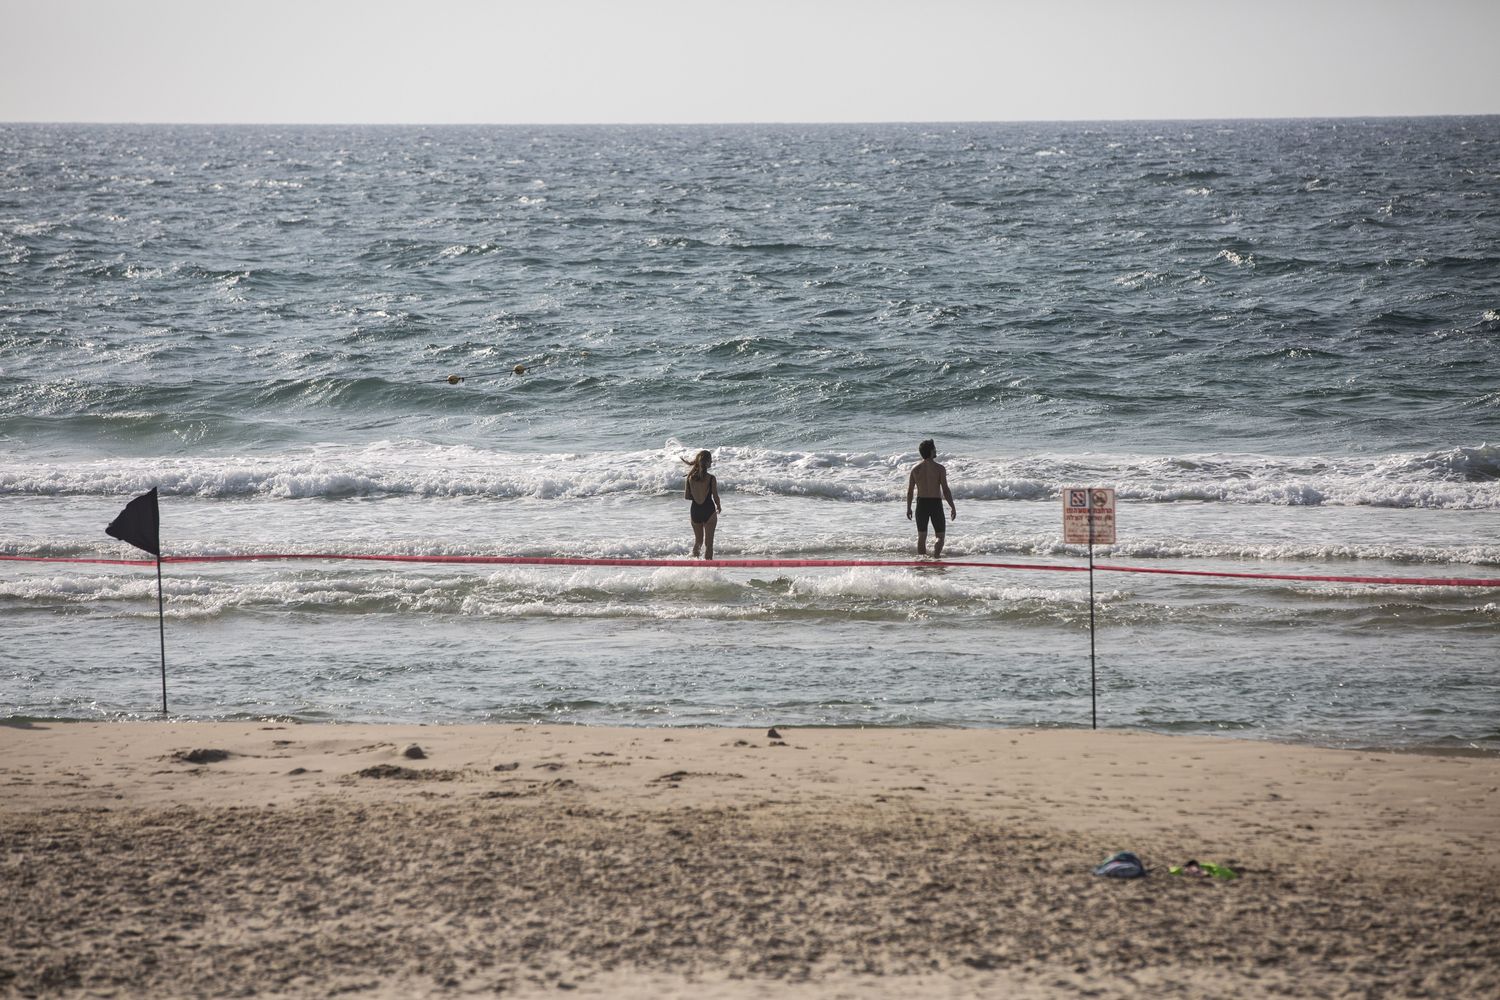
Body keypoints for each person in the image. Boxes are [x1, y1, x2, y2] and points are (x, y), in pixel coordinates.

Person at [905, 439, 957, 557]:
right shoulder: (940, 469)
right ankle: (936, 557)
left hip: (921, 504)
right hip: (935, 504)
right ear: (930, 451)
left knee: (922, 536)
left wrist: (908, 508)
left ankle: (922, 562)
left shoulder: (915, 469)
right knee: (940, 537)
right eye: (934, 449)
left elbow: (910, 491)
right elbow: (945, 490)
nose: (935, 450)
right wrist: (952, 507)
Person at [683, 449, 722, 560]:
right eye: (711, 460)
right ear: (707, 462)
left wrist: (697, 495)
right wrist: (719, 506)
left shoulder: (690, 477)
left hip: (695, 511)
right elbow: (715, 497)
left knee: (698, 542)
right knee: (709, 544)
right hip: (708, 510)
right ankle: (708, 571)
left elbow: (687, 496)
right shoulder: (711, 478)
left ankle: (695, 568)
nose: (711, 463)